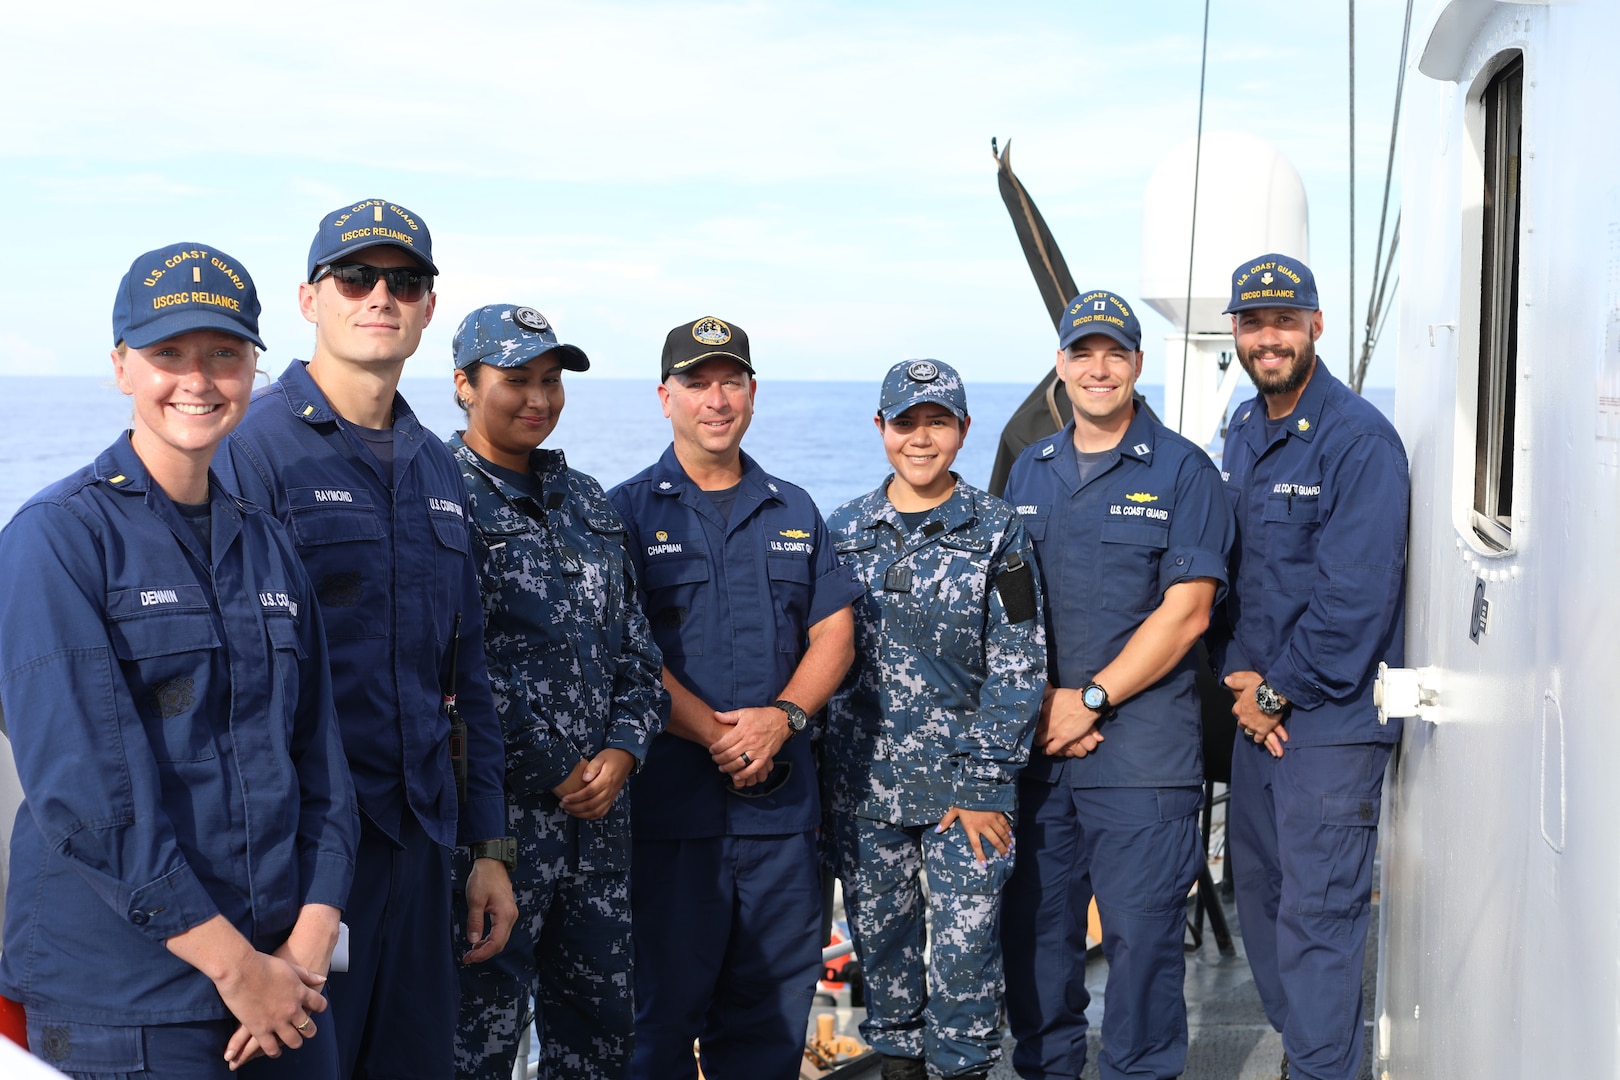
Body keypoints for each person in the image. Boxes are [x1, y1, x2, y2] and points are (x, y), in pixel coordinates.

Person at [0, 243, 357, 1076]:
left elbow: (323, 763)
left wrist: (304, 950)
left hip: (288, 983)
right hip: (132, 1004)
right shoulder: (56, 541)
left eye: (224, 355)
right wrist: (241, 973)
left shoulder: (265, 542)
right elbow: (91, 800)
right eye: (168, 354)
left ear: (254, 369)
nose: (197, 380)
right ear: (121, 366)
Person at [215, 200, 516, 1079]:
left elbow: (467, 673)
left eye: (405, 280)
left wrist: (487, 848)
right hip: (301, 856)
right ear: (311, 299)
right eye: (356, 277)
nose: (380, 296)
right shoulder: (249, 452)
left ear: (428, 308)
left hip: (420, 846)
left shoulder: (436, 467)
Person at [607, 316, 862, 1080]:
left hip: (781, 826)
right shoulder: (623, 515)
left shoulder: (794, 509)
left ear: (752, 392)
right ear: (665, 397)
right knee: (655, 1029)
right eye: (696, 382)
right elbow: (625, 647)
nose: (715, 399)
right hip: (669, 823)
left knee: (769, 1031)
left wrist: (781, 720)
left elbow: (835, 633)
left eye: (731, 381)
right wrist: (723, 736)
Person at [1000, 290, 1233, 1080]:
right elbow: (1004, 608)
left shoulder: (1184, 472)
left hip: (1140, 760)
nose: (1098, 369)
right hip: (1039, 753)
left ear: (1137, 364)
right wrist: (1038, 706)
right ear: (1060, 366)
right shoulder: (1027, 472)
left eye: (1116, 354)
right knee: (1036, 943)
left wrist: (1089, 699)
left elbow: (1188, 613)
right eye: (1082, 353)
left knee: (1141, 951)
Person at [445, 304, 667, 1079]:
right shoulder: (440, 498)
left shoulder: (589, 500)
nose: (537, 398)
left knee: (601, 1042)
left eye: (550, 381)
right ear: (464, 386)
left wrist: (625, 747)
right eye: (515, 381)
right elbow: (452, 663)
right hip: (494, 836)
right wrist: (554, 766)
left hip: (601, 829)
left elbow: (637, 647)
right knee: (478, 1044)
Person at [1212, 254, 1408, 1080]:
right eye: (1253, 324)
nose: (1269, 339)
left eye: (1284, 322)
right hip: (1257, 710)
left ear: (1316, 326)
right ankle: (1314, 1058)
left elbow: (1353, 601)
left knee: (1319, 919)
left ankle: (1321, 1069)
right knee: (1258, 903)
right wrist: (1236, 680)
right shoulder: (1242, 430)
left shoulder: (1357, 439)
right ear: (1236, 334)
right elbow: (1230, 570)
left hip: (1326, 723)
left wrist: (1275, 691)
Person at [824, 360, 1046, 1080]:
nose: (921, 439)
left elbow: (1020, 659)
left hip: (966, 796)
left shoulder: (998, 532)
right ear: (881, 429)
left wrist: (983, 784)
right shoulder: (845, 529)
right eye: (906, 422)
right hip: (867, 790)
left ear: (964, 431)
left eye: (938, 422)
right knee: (883, 957)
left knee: (965, 959)